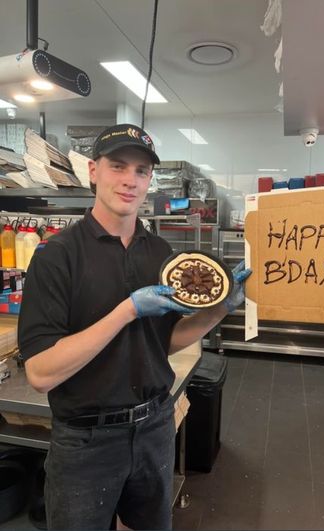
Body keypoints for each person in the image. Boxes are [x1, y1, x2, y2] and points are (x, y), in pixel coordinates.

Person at [18, 123, 251, 531]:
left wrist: (218, 311)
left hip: (155, 426)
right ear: (94, 170)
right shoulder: (56, 257)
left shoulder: (159, 251)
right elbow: (39, 373)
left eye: (141, 171)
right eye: (118, 166)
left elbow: (162, 343)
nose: (130, 180)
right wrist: (127, 309)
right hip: (85, 441)